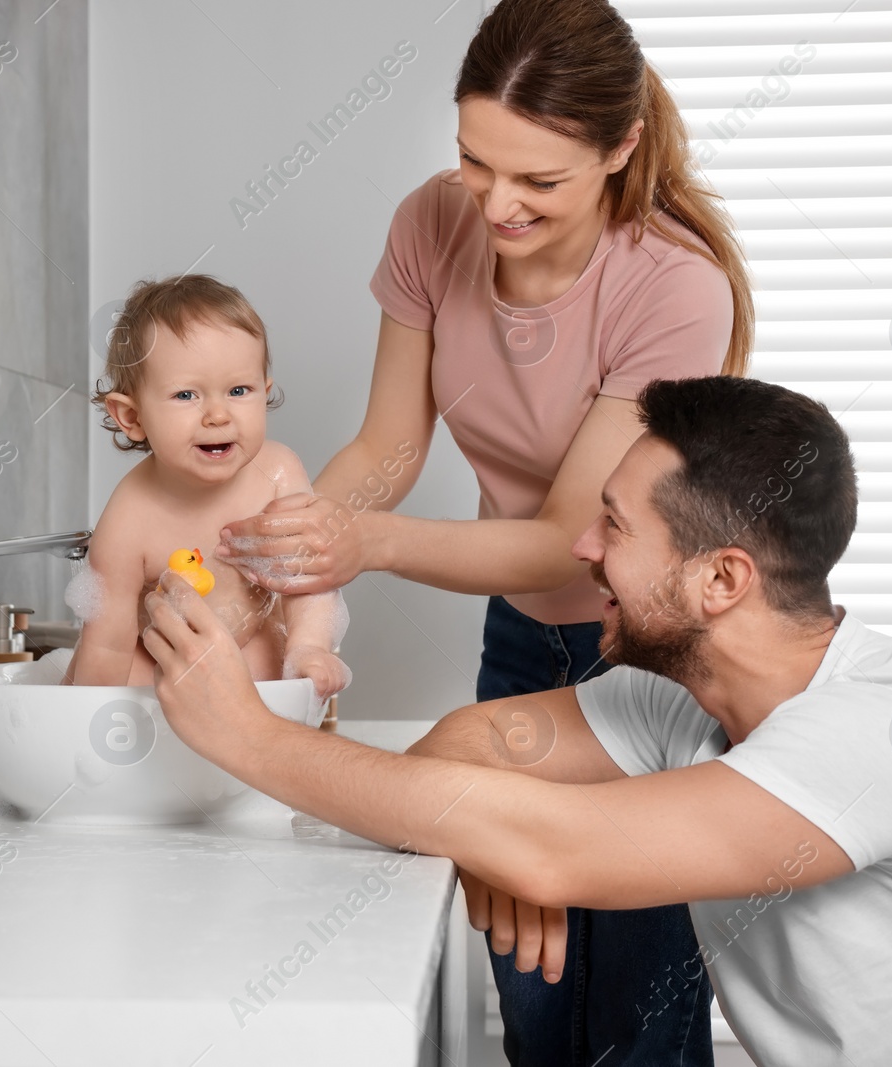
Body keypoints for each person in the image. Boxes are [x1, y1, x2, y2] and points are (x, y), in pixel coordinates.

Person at [146, 375, 892, 1067]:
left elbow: (557, 846)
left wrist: (246, 732)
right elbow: (468, 742)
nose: (579, 544)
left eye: (613, 524)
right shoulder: (679, 692)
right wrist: (508, 849)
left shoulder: (883, 734)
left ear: (720, 578)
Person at [215, 0, 750, 1061]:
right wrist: (286, 542)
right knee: (533, 973)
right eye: (474, 161)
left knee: (636, 1002)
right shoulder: (429, 222)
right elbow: (386, 447)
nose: (496, 203)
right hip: (521, 642)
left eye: (538, 181)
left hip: (646, 653)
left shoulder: (674, 286)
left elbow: (567, 537)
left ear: (619, 146)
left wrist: (366, 545)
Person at [65, 275, 350, 701]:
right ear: (132, 417)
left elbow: (306, 579)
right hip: (159, 653)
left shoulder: (276, 473)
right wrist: (81, 720)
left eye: (239, 390)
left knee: (274, 673)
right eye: (186, 395)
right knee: (115, 685)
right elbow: (108, 640)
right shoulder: (129, 518)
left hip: (248, 643)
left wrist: (310, 648)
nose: (218, 414)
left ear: (264, 393)